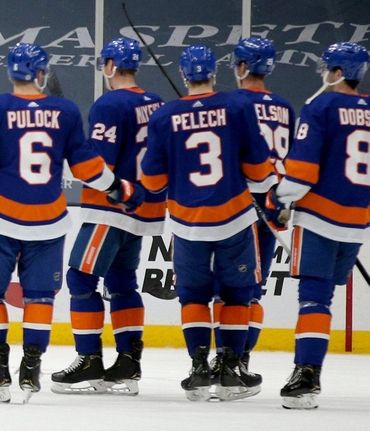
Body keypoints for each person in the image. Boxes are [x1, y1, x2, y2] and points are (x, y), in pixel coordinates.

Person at [0, 42, 142, 403]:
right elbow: (85, 166)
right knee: (39, 296)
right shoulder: (65, 111)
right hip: (49, 222)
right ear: (41, 74)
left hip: (1, 220)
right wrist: (116, 186)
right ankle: (32, 365)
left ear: (11, 72)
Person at [140, 44, 276, 402]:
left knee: (194, 296)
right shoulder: (238, 106)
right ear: (214, 74)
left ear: (184, 75)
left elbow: (152, 182)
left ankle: (200, 367)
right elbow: (260, 170)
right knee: (237, 294)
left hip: (187, 224)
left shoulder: (164, 116)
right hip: (234, 218)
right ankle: (230, 367)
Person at [50, 37, 165, 396]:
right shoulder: (156, 102)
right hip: (146, 207)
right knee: (122, 281)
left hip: (111, 206)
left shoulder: (110, 103)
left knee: (81, 278)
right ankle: (129, 363)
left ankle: (89, 361)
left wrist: (71, 159)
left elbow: (100, 164)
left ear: (111, 65)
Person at [272, 42, 370, 410]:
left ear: (339, 72)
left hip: (319, 218)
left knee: (314, 298)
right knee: (324, 295)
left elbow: (301, 173)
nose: (323, 74)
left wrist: (277, 197)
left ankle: (307, 376)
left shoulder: (321, 107)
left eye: (328, 67)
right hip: (358, 222)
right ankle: (308, 371)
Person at [209, 37, 295, 389]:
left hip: (238, 206)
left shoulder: (229, 102)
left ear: (241, 66)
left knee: (226, 289)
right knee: (253, 288)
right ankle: (241, 359)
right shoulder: (285, 107)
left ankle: (229, 358)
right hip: (273, 205)